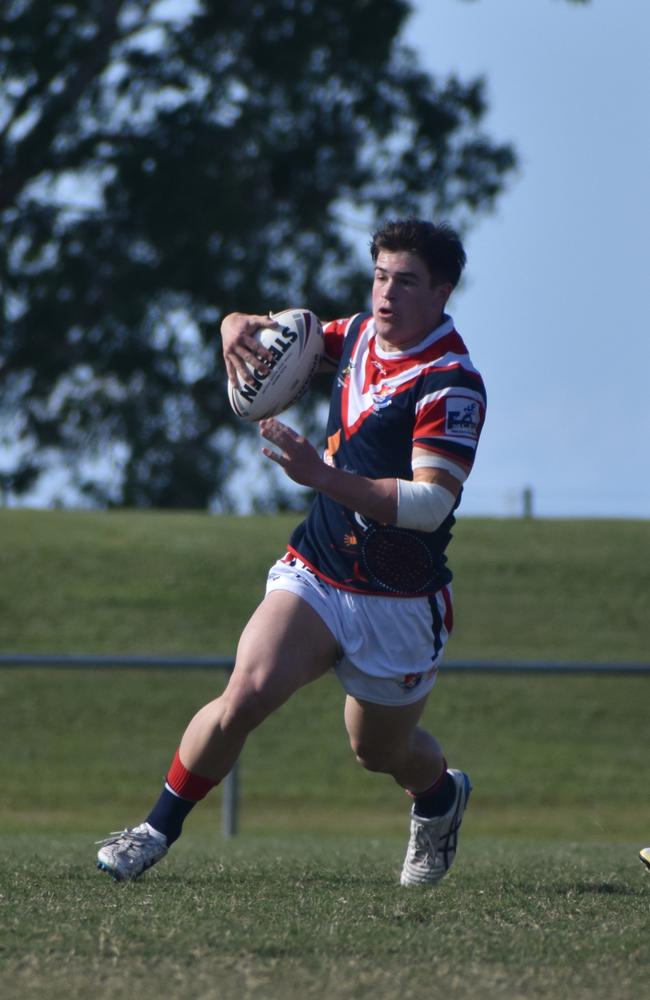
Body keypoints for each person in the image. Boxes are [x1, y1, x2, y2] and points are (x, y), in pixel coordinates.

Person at [96, 218, 487, 886]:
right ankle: (154, 830)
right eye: (380, 276)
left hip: (398, 597)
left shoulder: (452, 382)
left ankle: (440, 798)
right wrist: (234, 324)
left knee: (380, 751)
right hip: (318, 568)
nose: (386, 294)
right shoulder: (358, 335)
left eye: (407, 282)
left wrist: (321, 475)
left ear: (442, 292)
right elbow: (287, 339)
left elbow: (430, 505)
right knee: (244, 693)